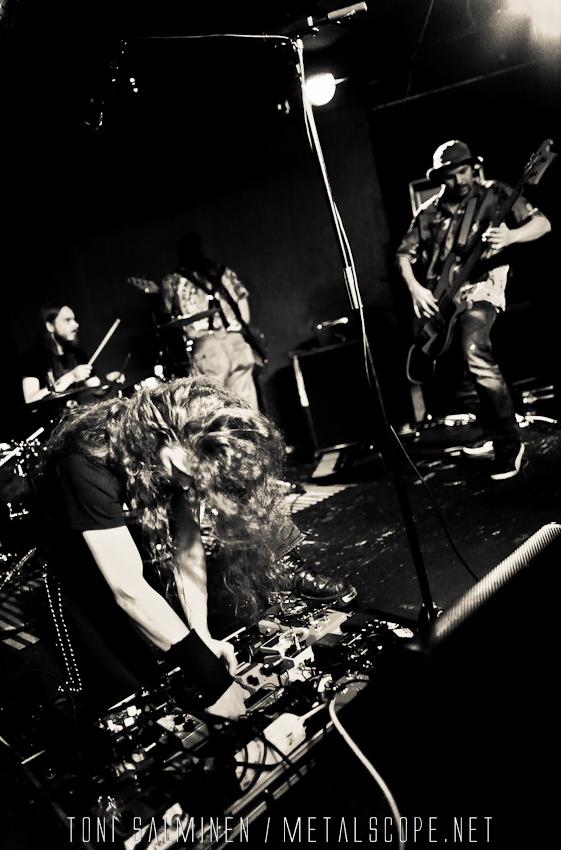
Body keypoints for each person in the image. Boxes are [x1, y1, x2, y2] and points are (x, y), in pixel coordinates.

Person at [32, 377, 355, 719]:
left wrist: (200, 635)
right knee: (128, 688)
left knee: (172, 650)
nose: (186, 485)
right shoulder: (85, 460)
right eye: (180, 472)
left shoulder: (177, 455)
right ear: (160, 438)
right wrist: (212, 679)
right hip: (71, 563)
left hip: (118, 532)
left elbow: (187, 551)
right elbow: (128, 589)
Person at [395, 140, 551, 480]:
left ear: (473, 168)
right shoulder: (429, 212)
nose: (460, 180)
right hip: (442, 302)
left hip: (481, 289)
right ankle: (491, 430)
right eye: (451, 175)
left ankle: (509, 445)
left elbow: (543, 224)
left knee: (474, 351)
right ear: (440, 178)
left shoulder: (495, 194)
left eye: (464, 171)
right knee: (454, 381)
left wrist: (511, 237)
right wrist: (416, 289)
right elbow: (403, 255)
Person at [160, 234, 262, 410]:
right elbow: (245, 316)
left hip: (207, 349)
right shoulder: (226, 273)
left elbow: (167, 316)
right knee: (248, 411)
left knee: (214, 411)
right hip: (237, 344)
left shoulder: (173, 281)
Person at [20, 303, 123, 405]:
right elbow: (31, 401)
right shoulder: (31, 357)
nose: (76, 325)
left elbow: (96, 390)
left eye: (74, 320)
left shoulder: (78, 354)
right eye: (68, 320)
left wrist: (108, 381)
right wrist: (71, 377)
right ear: (50, 326)